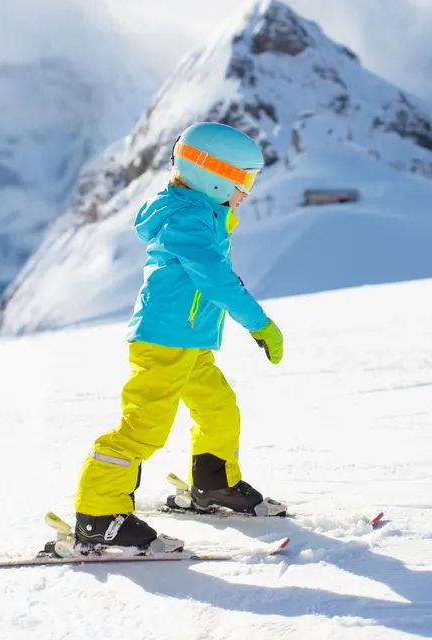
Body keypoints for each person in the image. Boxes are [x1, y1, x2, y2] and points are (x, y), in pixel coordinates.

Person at [71, 122, 285, 555]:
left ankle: (214, 485)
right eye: (244, 179)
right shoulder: (188, 220)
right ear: (214, 176)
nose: (248, 190)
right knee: (142, 428)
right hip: (165, 342)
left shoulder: (197, 211)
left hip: (189, 344)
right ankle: (97, 516)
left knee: (218, 408)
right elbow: (216, 279)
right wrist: (259, 322)